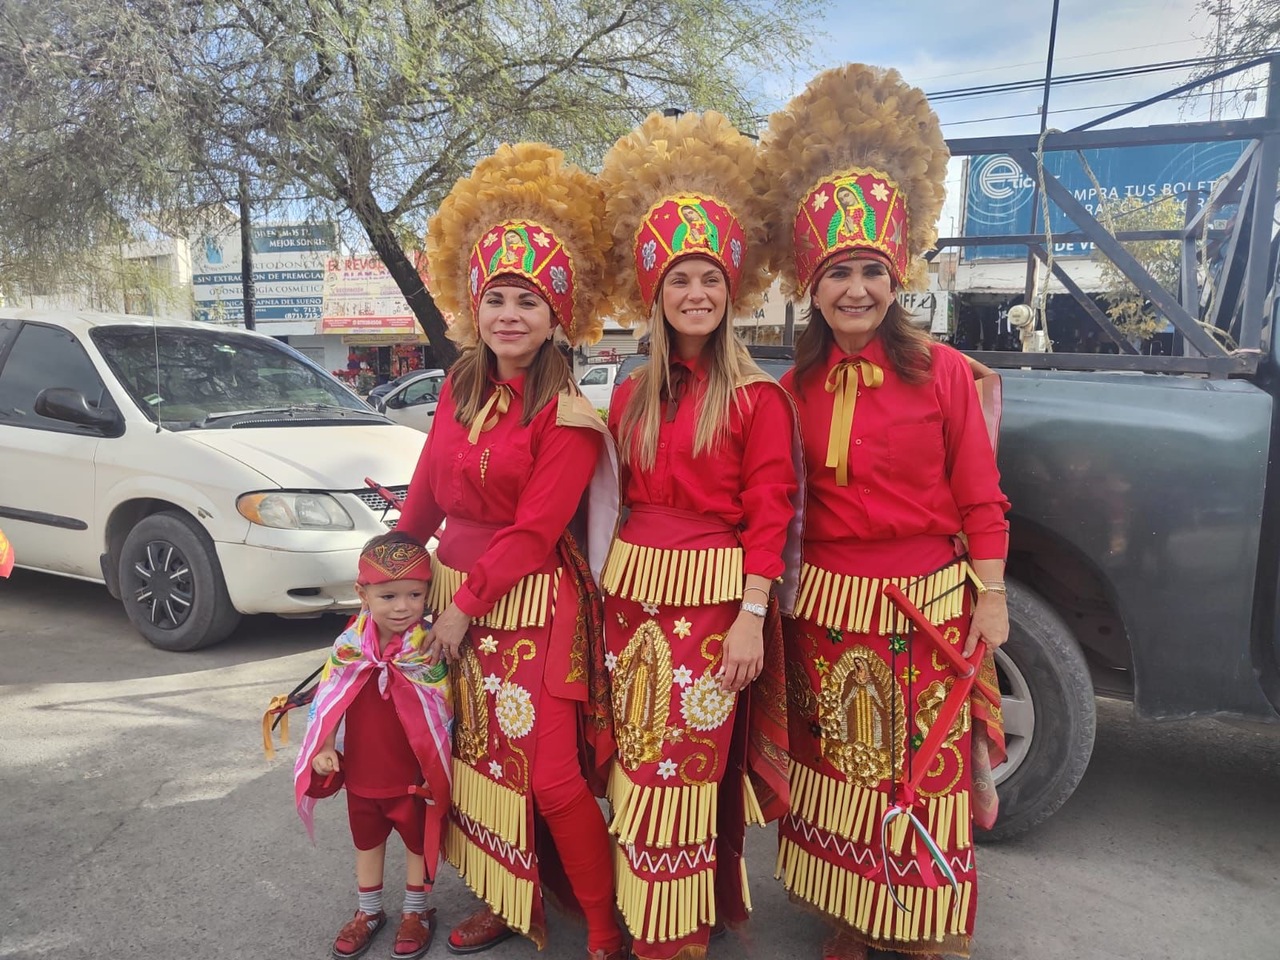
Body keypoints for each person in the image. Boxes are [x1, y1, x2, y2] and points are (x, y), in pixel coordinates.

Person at [758, 64, 1011, 960]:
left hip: (927, 606)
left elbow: (981, 494)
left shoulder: (944, 374)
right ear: (811, 284)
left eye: (871, 271)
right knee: (840, 771)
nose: (856, 289)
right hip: (825, 606)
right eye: (839, 274)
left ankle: (921, 920)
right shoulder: (790, 388)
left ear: (895, 275)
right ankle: (853, 914)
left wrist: (991, 592)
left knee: (922, 772)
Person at [396, 143, 625, 960]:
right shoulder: (457, 391)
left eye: (528, 300)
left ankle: (603, 926)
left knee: (552, 778)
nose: (509, 315)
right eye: (495, 298)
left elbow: (534, 531)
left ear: (556, 315)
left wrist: (462, 605)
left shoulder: (569, 415)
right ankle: (506, 900)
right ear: (474, 306)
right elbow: (425, 492)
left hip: (529, 605)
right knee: (477, 766)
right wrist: (389, 568)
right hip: (451, 601)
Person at [595, 110, 803, 960]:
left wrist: (752, 616)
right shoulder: (627, 394)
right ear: (656, 293)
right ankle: (651, 909)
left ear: (730, 292)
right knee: (638, 763)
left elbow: (770, 514)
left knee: (685, 771)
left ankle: (675, 934)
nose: (696, 295)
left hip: (716, 610)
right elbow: (605, 502)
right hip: (628, 602)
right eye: (680, 279)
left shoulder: (759, 398)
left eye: (709, 280)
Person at [293, 532, 453, 960]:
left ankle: (416, 911)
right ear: (362, 593)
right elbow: (331, 697)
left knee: (418, 842)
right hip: (364, 772)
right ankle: (368, 911)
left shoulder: (428, 647)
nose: (402, 607)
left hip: (414, 773)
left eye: (415, 595)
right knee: (367, 841)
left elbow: (443, 707)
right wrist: (325, 745)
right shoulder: (348, 647)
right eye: (388, 596)